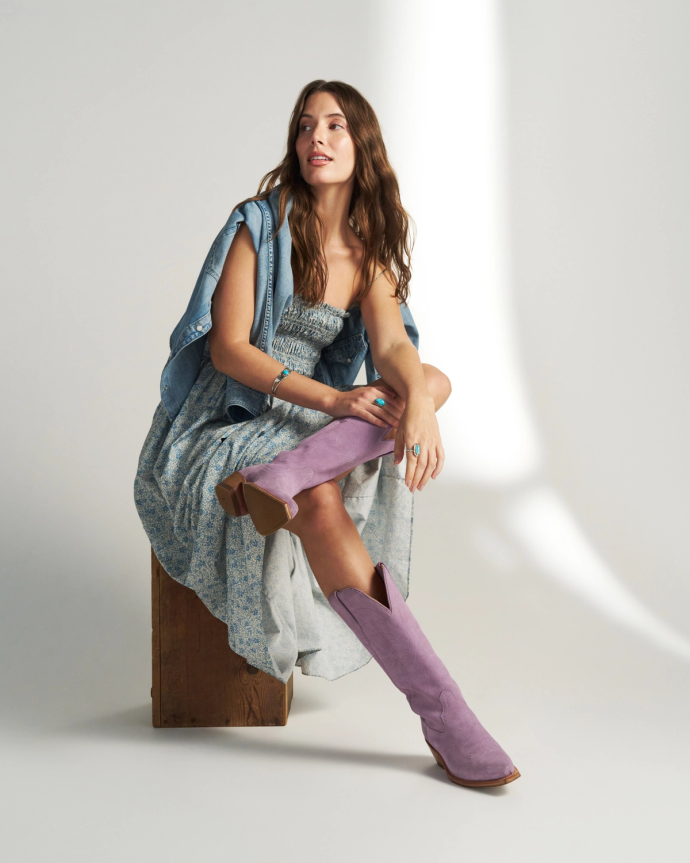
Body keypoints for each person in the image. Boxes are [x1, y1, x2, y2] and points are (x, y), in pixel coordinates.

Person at [134, 79, 520, 788]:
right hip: (234, 414)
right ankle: (443, 712)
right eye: (307, 125)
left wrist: (418, 405)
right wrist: (336, 400)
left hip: (311, 418)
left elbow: (395, 348)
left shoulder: (368, 251)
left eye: (335, 125)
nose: (317, 137)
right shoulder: (259, 225)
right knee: (320, 500)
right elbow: (229, 351)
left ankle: (286, 473)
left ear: (361, 143)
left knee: (431, 381)